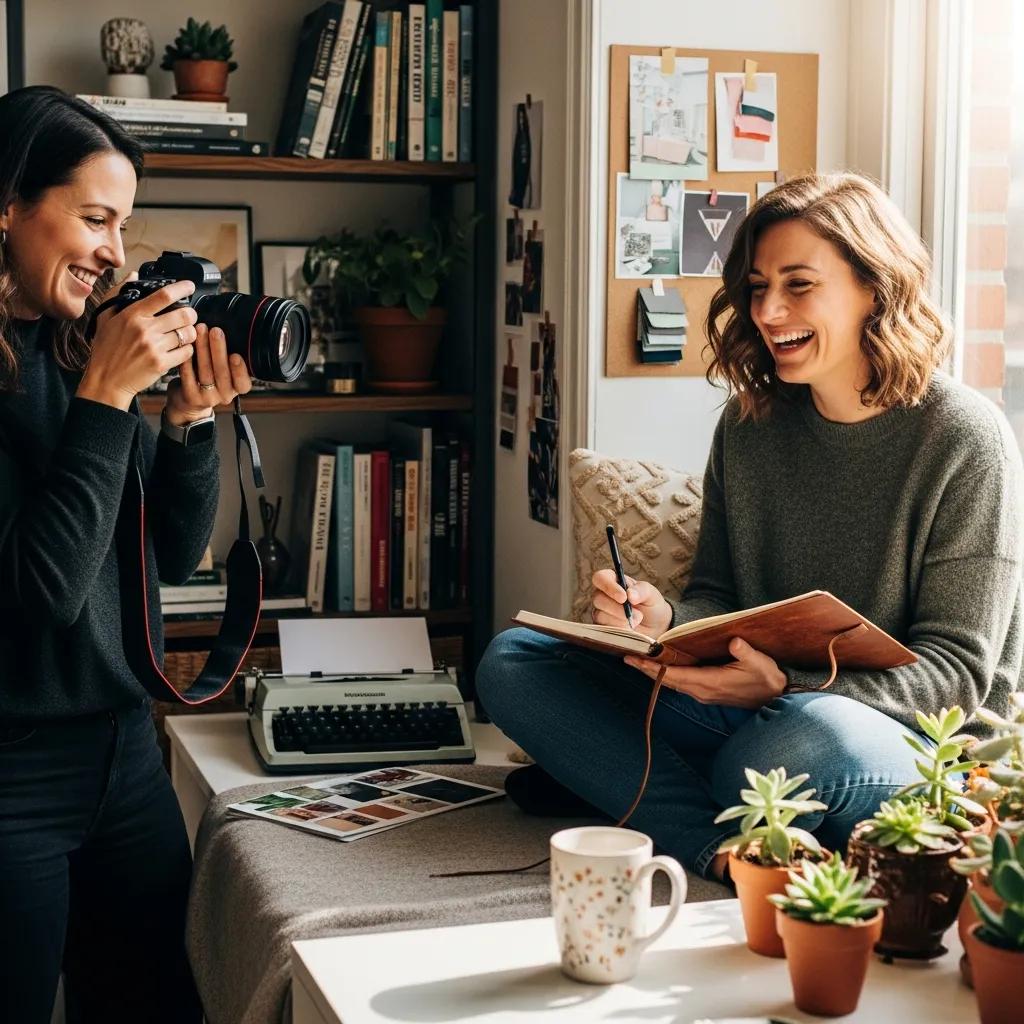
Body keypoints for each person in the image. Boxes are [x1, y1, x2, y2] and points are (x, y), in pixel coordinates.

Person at [476, 171, 1024, 883]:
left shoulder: (964, 439)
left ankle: (621, 783)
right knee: (514, 662)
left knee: (786, 747)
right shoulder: (750, 423)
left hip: (893, 741)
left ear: (874, 288)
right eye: (758, 286)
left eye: (799, 284)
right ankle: (718, 848)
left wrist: (780, 686)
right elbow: (719, 594)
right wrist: (664, 616)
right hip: (751, 709)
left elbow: (955, 678)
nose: (768, 310)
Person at [0, 86, 252, 1023]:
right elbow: (45, 593)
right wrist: (108, 401)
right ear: (9, 205)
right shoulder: (89, 373)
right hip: (12, 773)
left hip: (124, 756)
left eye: (123, 223)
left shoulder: (77, 350)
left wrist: (185, 422)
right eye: (96, 218)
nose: (114, 251)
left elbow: (173, 557)